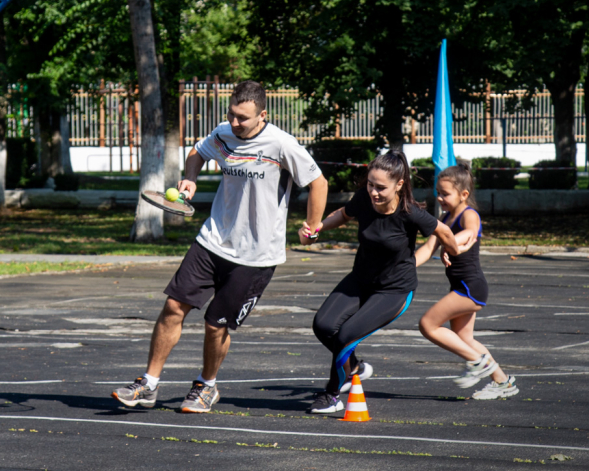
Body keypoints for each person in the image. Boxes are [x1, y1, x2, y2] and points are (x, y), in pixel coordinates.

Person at [112, 80, 328, 413]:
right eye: (231, 115)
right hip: (212, 240)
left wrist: (312, 226)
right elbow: (198, 152)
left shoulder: (281, 144)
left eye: (243, 117)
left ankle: (206, 385)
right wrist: (191, 177)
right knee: (173, 307)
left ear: (262, 115)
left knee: (216, 325)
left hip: (255, 255)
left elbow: (318, 182)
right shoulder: (223, 133)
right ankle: (148, 384)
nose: (235, 122)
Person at [302, 150, 461, 414]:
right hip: (361, 279)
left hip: (394, 290)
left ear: (399, 185)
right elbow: (344, 214)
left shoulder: (410, 212)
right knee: (323, 325)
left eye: (380, 188)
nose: (373, 192)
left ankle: (331, 395)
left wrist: (452, 252)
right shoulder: (364, 199)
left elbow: (443, 231)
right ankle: (354, 367)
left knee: (346, 335)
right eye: (370, 185)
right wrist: (318, 227)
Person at [415, 163, 518, 400]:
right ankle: (503, 382)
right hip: (460, 286)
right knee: (465, 339)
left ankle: (477, 362)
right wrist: (406, 266)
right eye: (438, 193)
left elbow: (469, 233)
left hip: (471, 288)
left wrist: (450, 244)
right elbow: (428, 248)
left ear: (464, 194)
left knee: (428, 324)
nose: (439, 198)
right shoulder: (444, 218)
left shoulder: (469, 214)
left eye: (445, 194)